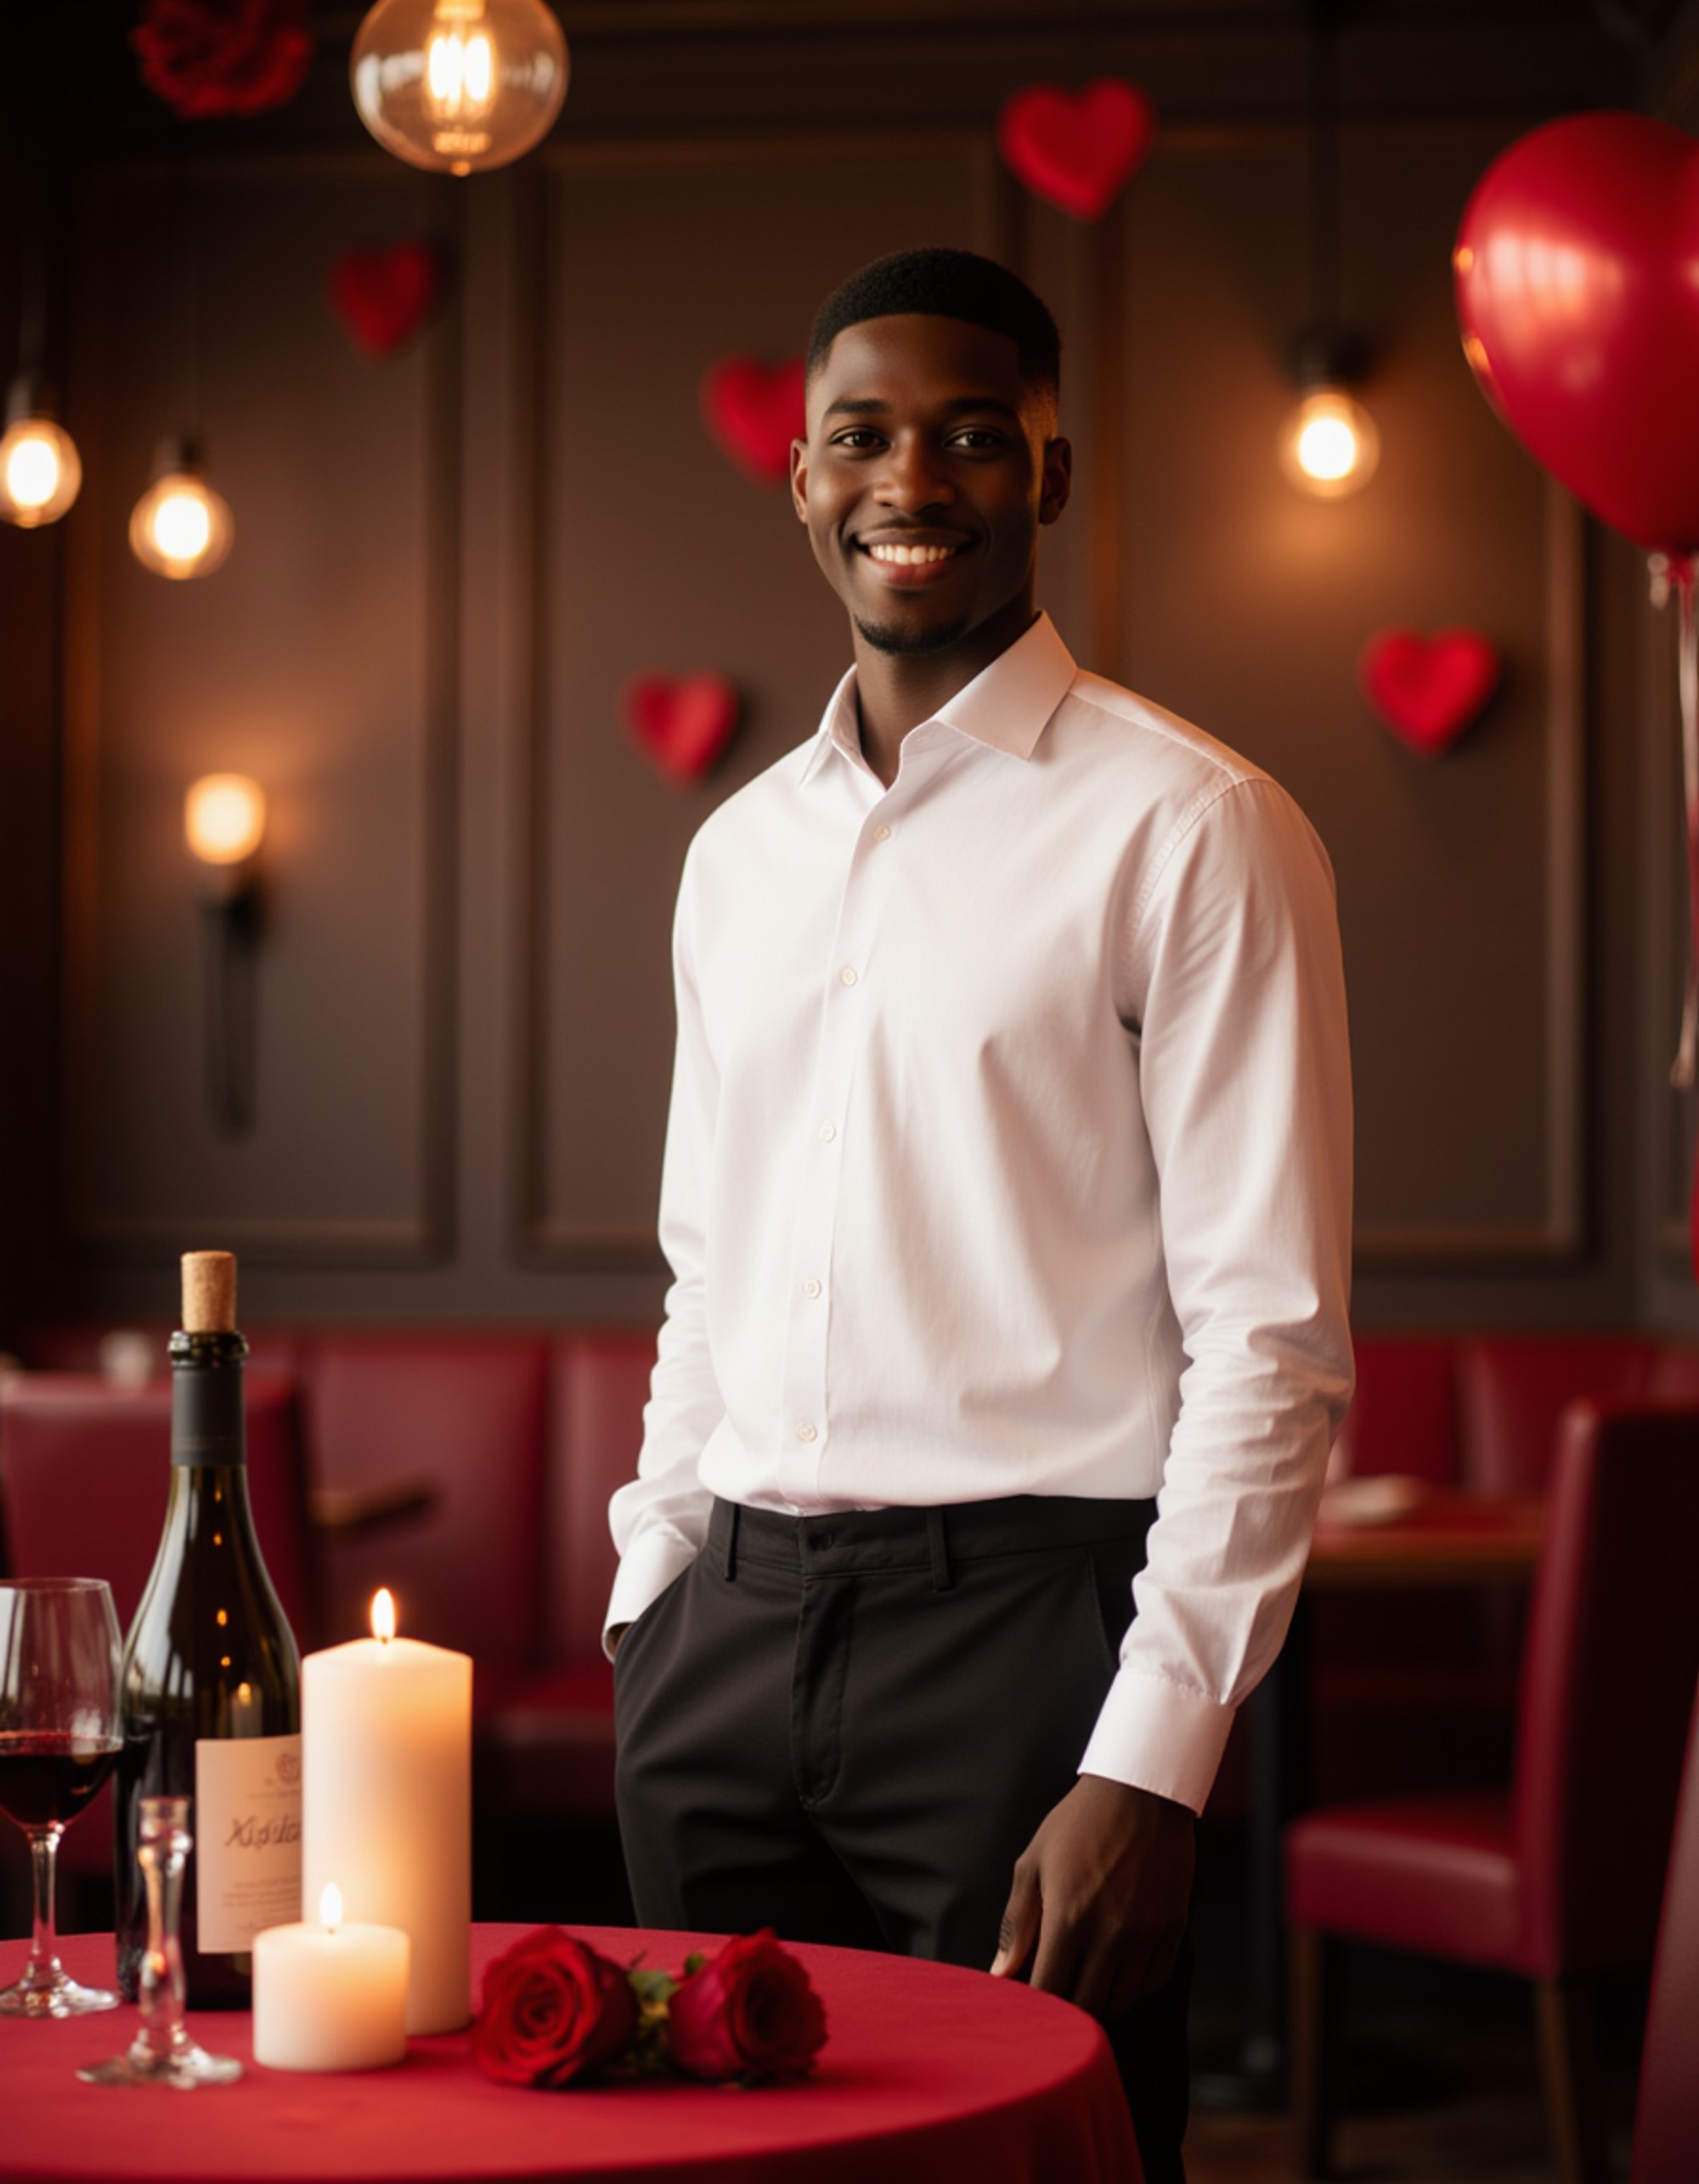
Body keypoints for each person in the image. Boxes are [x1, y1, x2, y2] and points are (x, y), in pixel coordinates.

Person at [605, 246, 1353, 2181]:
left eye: (966, 434)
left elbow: (1268, 1336)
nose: (908, 480)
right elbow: (710, 1263)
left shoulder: (1193, 827)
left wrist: (1149, 1761)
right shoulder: (732, 856)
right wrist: (650, 1592)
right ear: (799, 479)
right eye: (861, 435)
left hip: (1029, 1642)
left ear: (1051, 469)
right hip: (724, 1642)